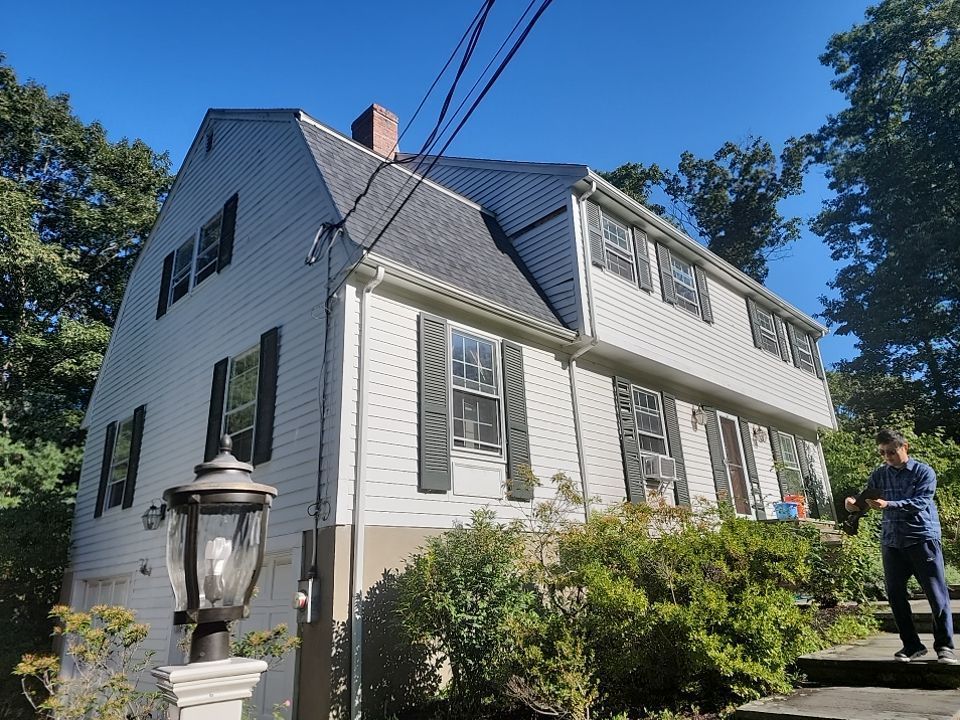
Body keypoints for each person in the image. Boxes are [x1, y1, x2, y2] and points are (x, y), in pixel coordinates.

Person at [846, 429, 956, 664]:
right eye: (883, 453)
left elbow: (919, 503)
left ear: (905, 447)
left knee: (937, 595)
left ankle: (945, 646)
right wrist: (853, 504)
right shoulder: (880, 474)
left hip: (922, 538)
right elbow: (864, 499)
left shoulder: (923, 472)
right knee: (895, 596)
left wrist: (887, 504)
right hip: (892, 542)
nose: (887, 457)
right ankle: (912, 645)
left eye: (892, 452)